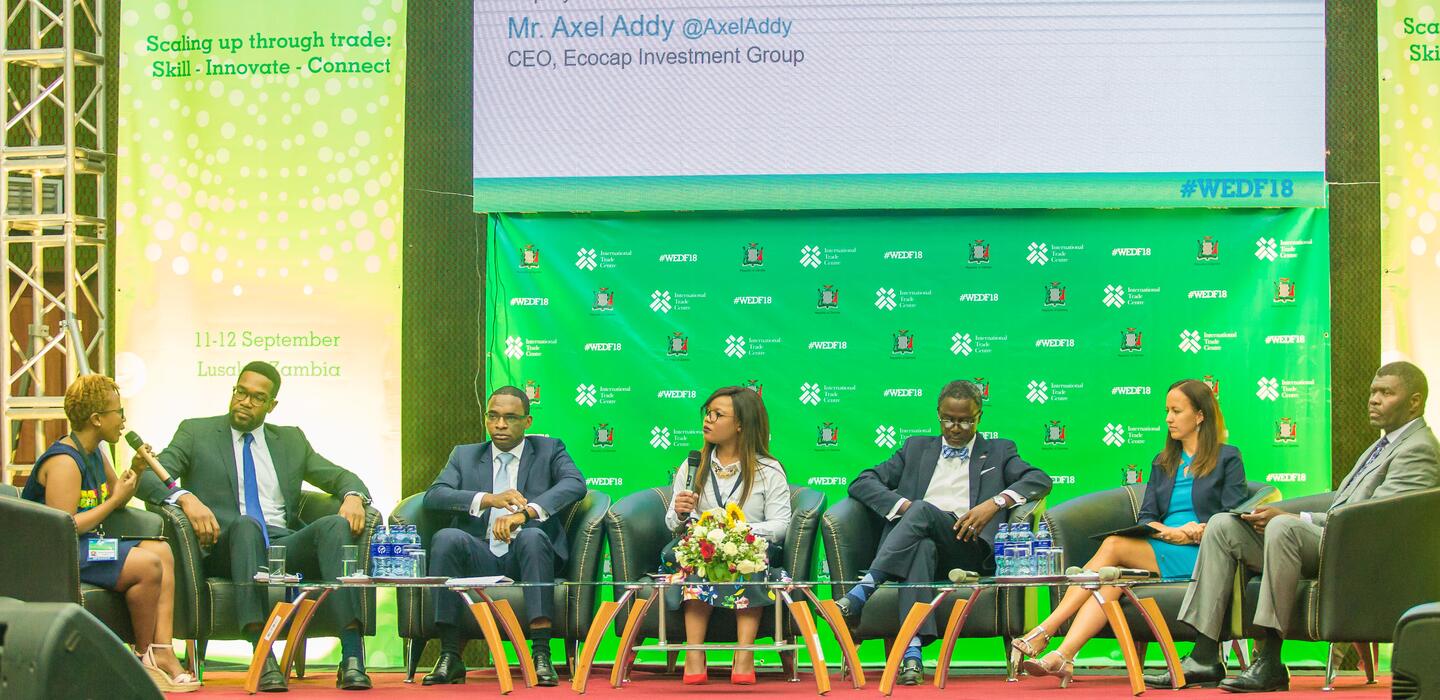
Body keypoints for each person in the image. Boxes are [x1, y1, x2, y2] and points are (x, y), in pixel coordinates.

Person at [1148, 361, 1440, 693]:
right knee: (1221, 526)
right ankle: (1204, 656)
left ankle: (1270, 659)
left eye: (1386, 393)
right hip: (1330, 540)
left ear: (1414, 401)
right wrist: (1268, 512)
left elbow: (1381, 521)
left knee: (1283, 528)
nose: (1373, 399)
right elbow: (1340, 502)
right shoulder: (1383, 444)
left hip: (1360, 552)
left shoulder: (1418, 449)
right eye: (1373, 391)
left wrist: (1294, 518)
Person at [137, 361, 374, 692]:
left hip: (280, 544)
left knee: (334, 525)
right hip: (224, 544)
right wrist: (186, 498)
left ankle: (351, 657)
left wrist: (352, 496)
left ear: (271, 405)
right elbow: (148, 477)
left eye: (256, 398)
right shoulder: (196, 432)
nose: (244, 402)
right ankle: (263, 655)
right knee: (246, 526)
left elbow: (341, 476)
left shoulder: (290, 441)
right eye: (240, 393)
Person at [1012, 379, 1247, 687]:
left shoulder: (1227, 457)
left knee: (1112, 547)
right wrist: (1168, 532)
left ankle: (1043, 631)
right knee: (1110, 580)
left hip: (1204, 553)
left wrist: (1191, 533)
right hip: (1164, 544)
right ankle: (1064, 655)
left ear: (1200, 415)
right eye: (1167, 411)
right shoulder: (1163, 461)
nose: (1168, 419)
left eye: (1177, 411)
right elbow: (1148, 516)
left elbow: (1232, 515)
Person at [839, 379, 1053, 685]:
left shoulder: (999, 451)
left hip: (967, 547)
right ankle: (912, 656)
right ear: (938, 414)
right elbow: (862, 482)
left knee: (923, 510)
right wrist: (904, 508)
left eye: (966, 420)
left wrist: (994, 503)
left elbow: (1039, 479)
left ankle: (865, 588)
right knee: (922, 540)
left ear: (980, 416)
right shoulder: (915, 448)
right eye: (948, 419)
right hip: (918, 545)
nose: (956, 428)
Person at [22, 375, 199, 693]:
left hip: (87, 545)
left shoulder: (95, 452)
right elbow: (65, 528)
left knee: (161, 552)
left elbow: (116, 500)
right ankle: (142, 658)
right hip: (59, 553)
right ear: (96, 419)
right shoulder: (65, 461)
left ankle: (163, 651)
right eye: (118, 412)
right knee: (146, 565)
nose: (123, 420)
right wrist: (117, 499)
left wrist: (137, 470)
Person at [421, 386, 586, 687]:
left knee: (532, 537)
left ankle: (541, 654)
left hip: (528, 556)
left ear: (528, 421)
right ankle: (449, 654)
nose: (500, 425)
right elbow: (434, 496)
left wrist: (525, 515)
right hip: (480, 554)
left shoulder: (549, 450)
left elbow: (574, 484)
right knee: (446, 537)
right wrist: (488, 499)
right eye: (493, 416)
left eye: (510, 418)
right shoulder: (465, 455)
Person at [664, 386, 791, 685]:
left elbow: (781, 524)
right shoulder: (692, 465)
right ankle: (694, 653)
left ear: (740, 424)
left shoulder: (768, 470)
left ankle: (744, 653)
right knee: (698, 558)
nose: (707, 420)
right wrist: (681, 512)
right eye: (707, 414)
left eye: (717, 415)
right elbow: (673, 523)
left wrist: (739, 533)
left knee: (749, 559)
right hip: (703, 547)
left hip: (750, 547)